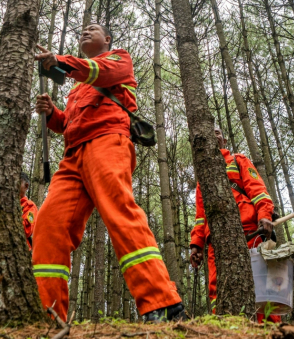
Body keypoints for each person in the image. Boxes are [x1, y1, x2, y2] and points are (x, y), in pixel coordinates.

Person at [33, 23, 184, 322]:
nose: (86, 32)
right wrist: (53, 114)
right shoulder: (77, 88)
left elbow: (98, 72)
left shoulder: (119, 59)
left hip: (107, 142)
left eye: (93, 29)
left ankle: (161, 304)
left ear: (108, 39)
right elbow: (70, 124)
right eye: (82, 31)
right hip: (72, 157)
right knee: (48, 225)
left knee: (119, 210)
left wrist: (61, 61)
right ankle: (48, 316)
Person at [189, 126, 278, 322]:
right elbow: (200, 215)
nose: (213, 135)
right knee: (217, 287)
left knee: (262, 284)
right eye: (209, 132)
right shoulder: (201, 179)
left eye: (217, 132)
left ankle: (271, 333)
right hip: (214, 240)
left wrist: (265, 214)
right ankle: (226, 331)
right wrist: (196, 245)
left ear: (224, 140)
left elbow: (258, 190)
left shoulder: (238, 160)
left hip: (250, 231)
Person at [20, 174, 37, 250]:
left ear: (26, 186)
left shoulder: (30, 206)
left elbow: (27, 230)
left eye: (17, 184)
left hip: (21, 249)